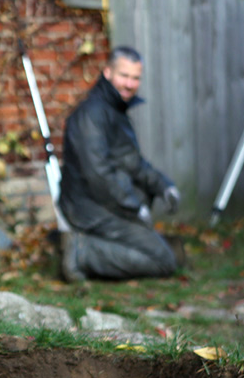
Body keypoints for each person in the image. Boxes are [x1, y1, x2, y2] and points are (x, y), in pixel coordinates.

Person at [58, 46, 182, 282]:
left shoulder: (114, 110)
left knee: (161, 251)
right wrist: (133, 207)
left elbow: (133, 163)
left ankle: (97, 248)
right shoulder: (91, 114)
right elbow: (98, 175)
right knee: (163, 260)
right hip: (88, 208)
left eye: (135, 78)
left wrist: (164, 186)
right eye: (123, 75)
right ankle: (82, 252)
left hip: (106, 203)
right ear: (107, 73)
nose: (129, 84)